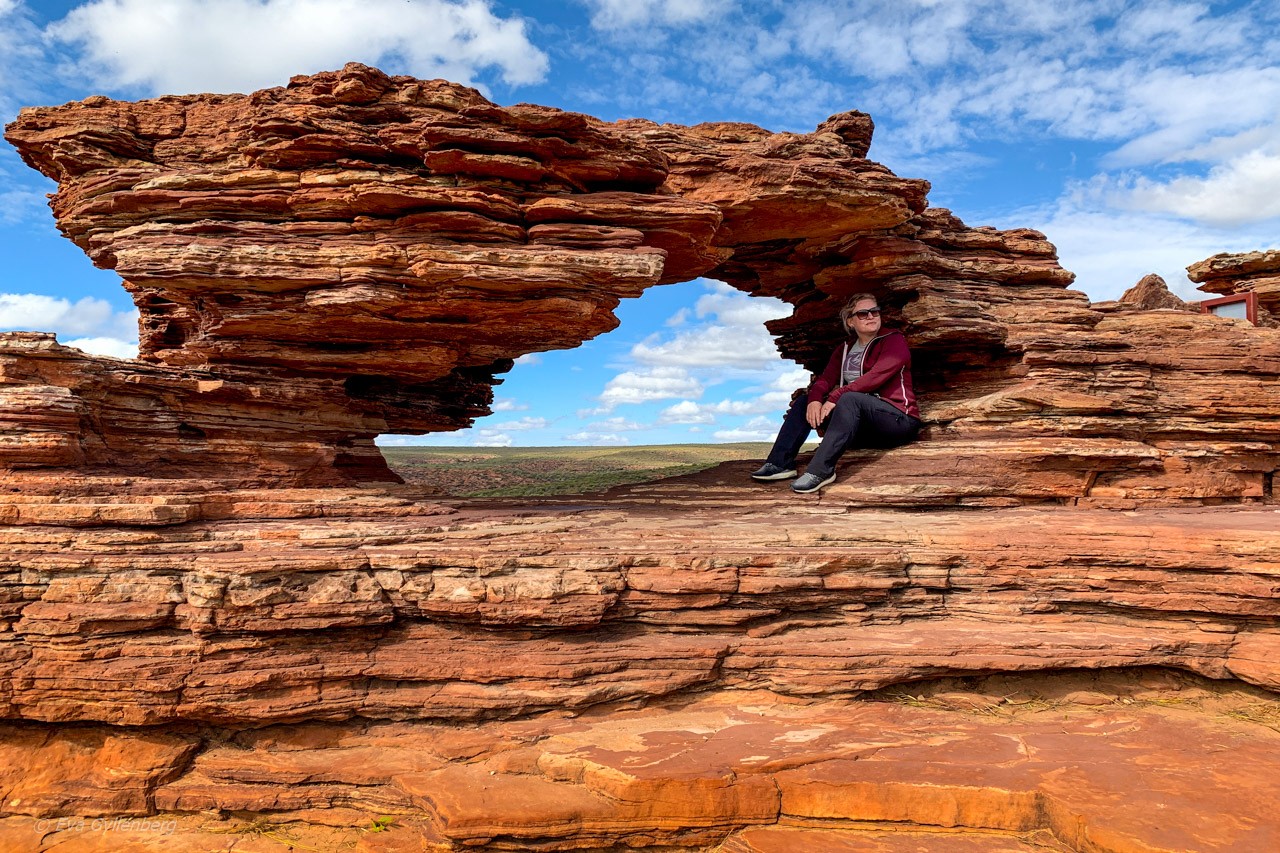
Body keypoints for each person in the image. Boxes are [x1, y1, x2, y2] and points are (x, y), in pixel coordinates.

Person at [750, 293, 921, 494]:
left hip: (897, 422)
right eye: (863, 314)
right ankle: (780, 464)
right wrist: (815, 400)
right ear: (850, 321)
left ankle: (821, 471)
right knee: (805, 400)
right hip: (860, 429)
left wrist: (835, 397)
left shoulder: (893, 340)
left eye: (874, 311)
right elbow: (825, 380)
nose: (871, 317)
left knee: (849, 399)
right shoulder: (845, 348)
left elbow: (876, 376)